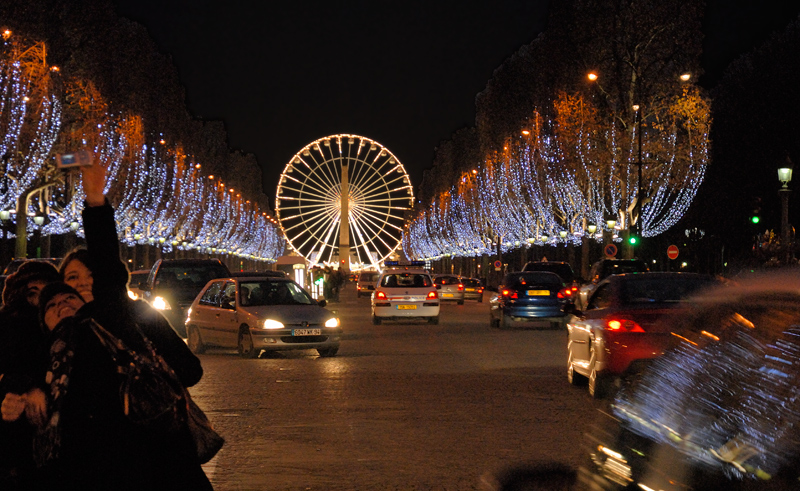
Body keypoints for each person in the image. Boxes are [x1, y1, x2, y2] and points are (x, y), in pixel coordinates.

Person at [23, 162, 212, 490]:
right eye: (72, 279)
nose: (84, 286)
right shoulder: (53, 343)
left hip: (153, 462)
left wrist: (96, 203)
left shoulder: (120, 317)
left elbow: (189, 371)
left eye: (91, 277)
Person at [0, 261, 60, 490]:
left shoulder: (59, 325)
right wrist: (23, 386)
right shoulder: (8, 324)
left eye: (45, 288)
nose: (37, 293)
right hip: (13, 433)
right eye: (31, 289)